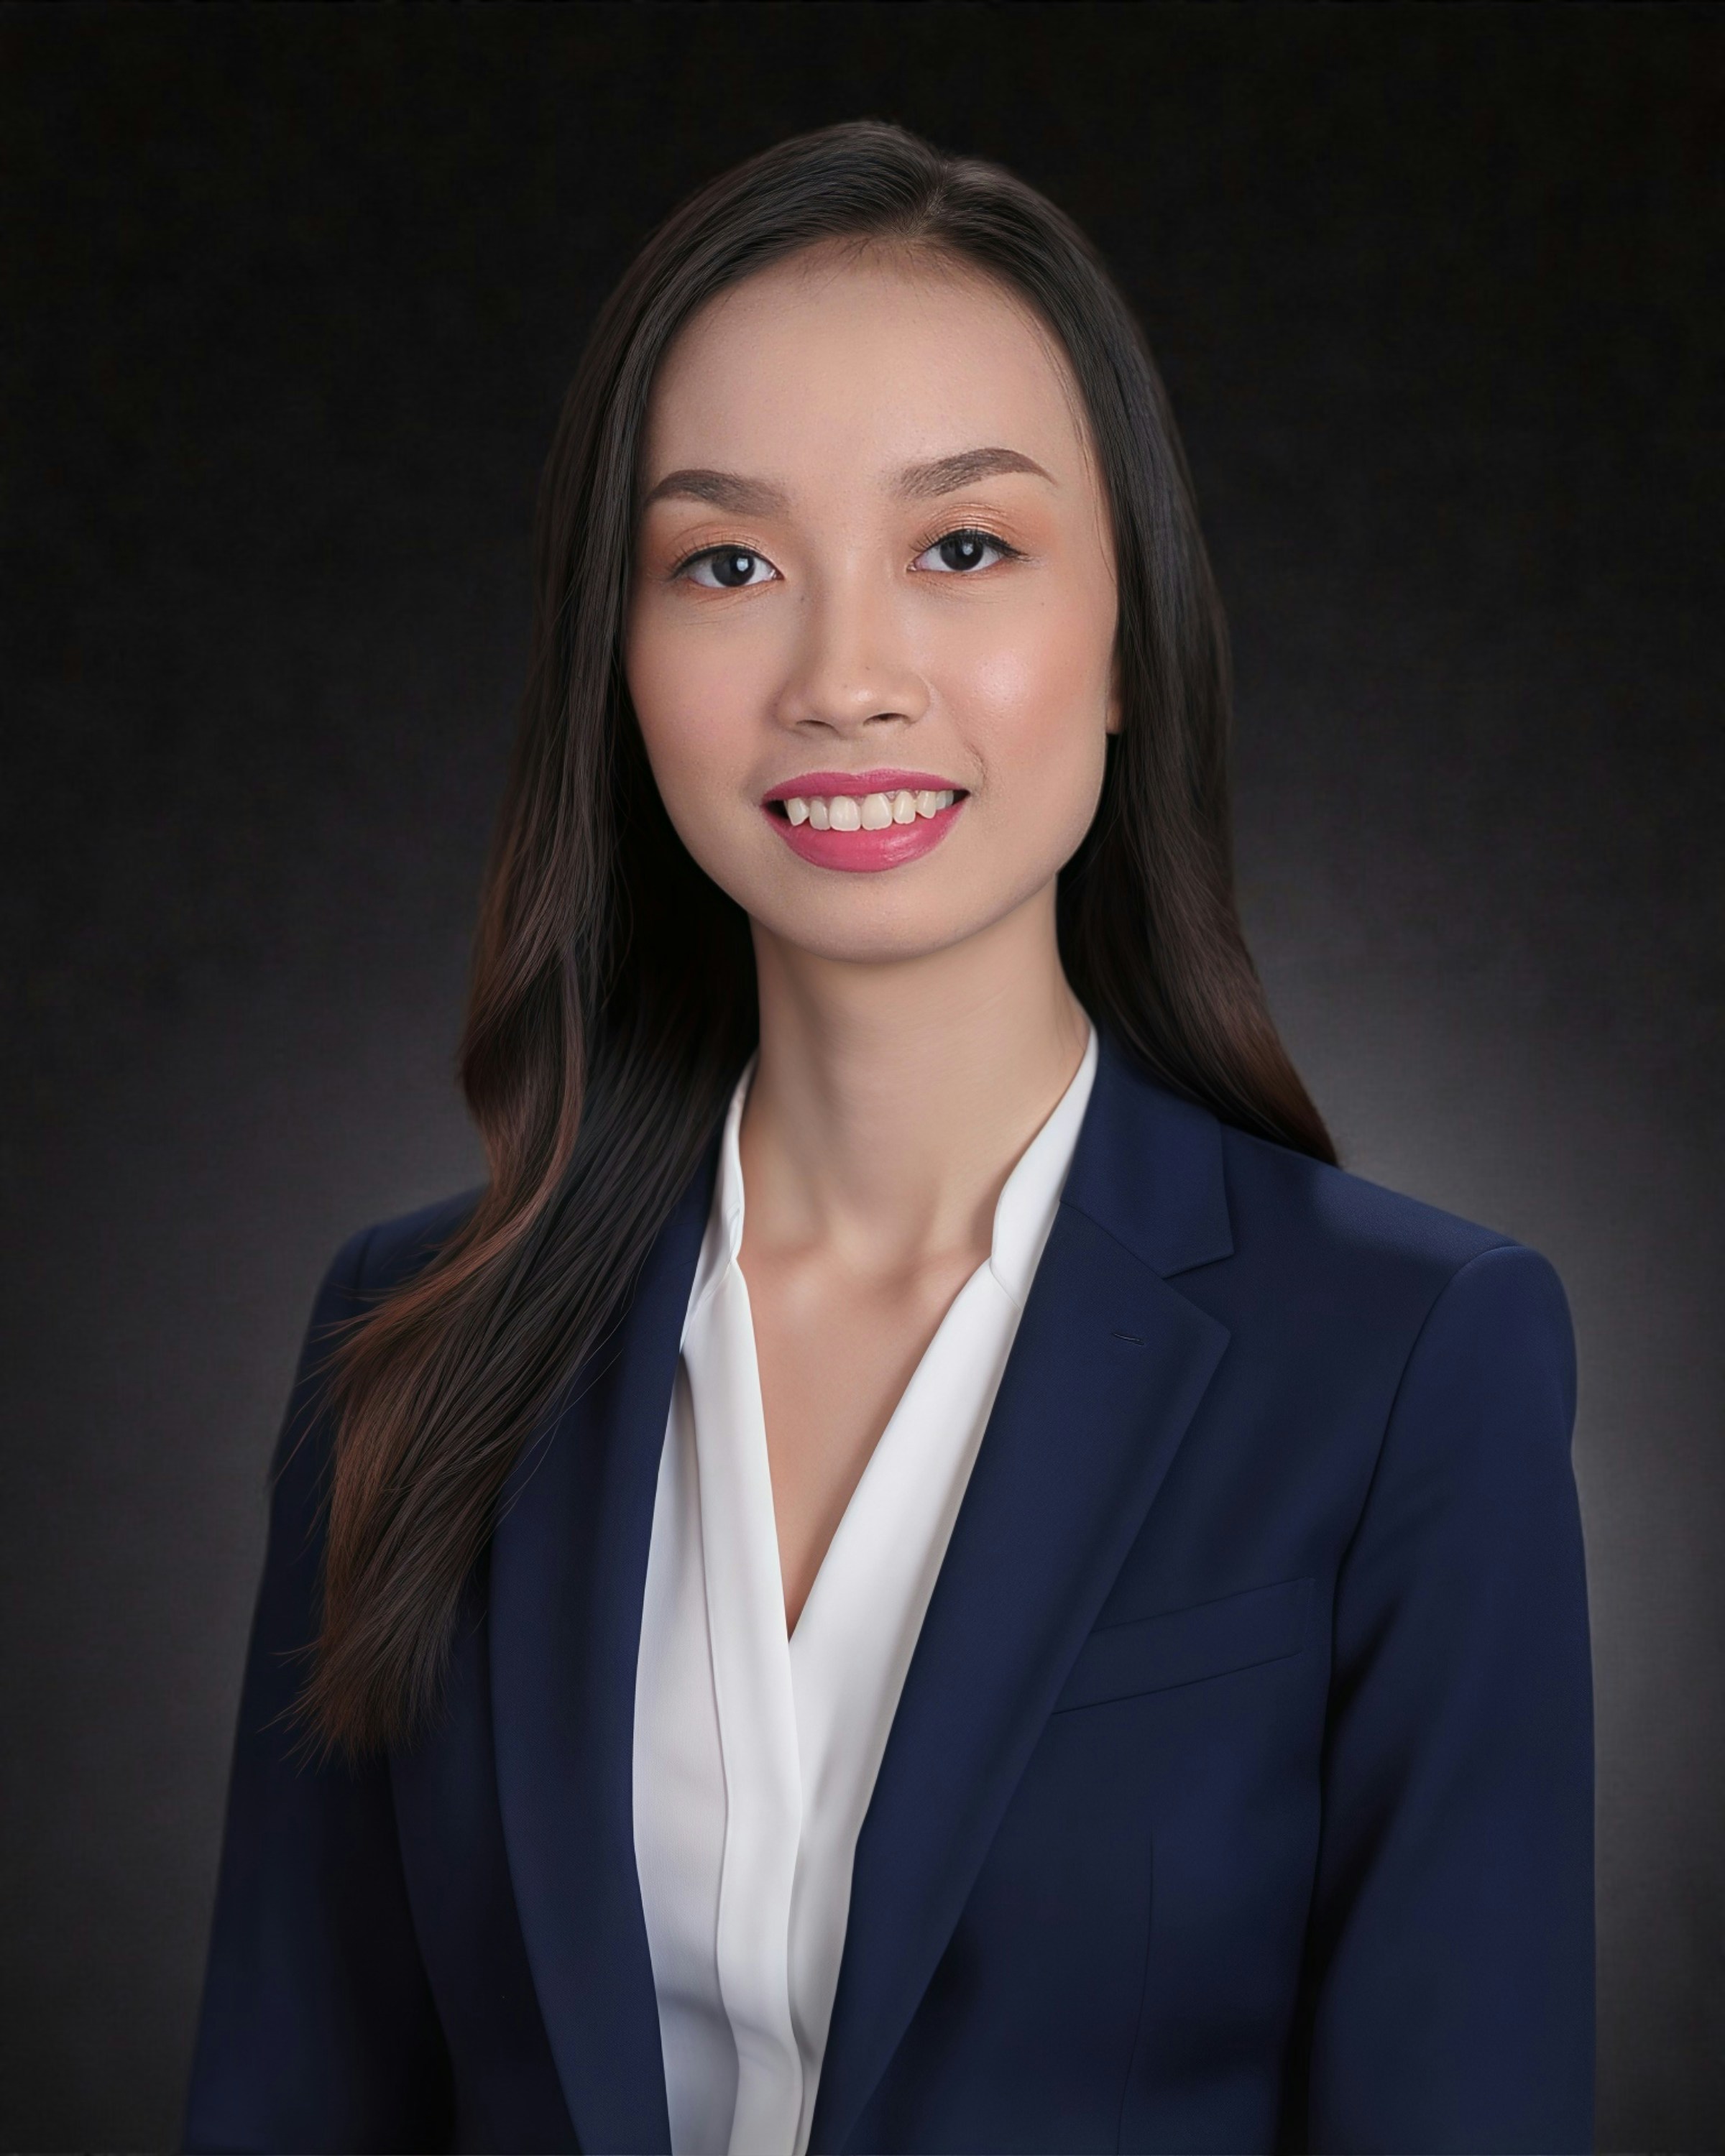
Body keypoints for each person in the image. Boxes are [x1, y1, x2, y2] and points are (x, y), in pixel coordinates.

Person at [183, 121, 1593, 2156]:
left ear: (1127, 642)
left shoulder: (1408, 1362)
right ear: (621, 662)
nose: (843, 680)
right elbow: (290, 2096)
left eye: (963, 548)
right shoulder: (413, 1337)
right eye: (728, 564)